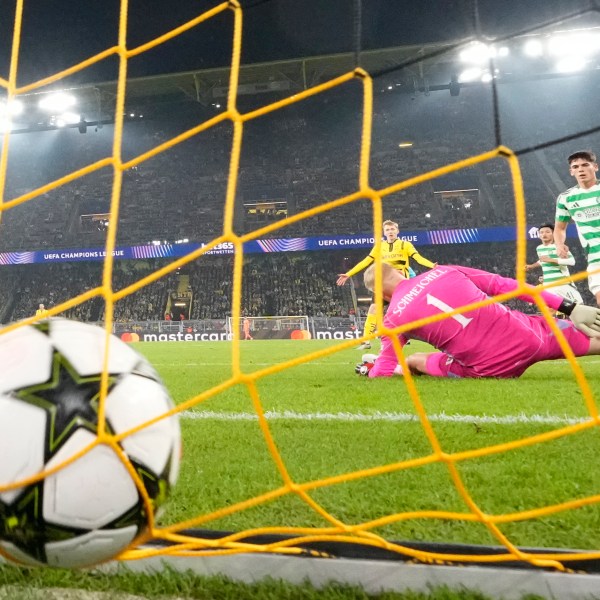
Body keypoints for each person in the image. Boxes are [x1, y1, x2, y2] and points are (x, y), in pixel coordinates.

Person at [357, 262, 600, 379]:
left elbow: (383, 372)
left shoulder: (392, 319)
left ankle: (406, 366)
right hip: (531, 339)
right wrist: (569, 307)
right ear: (401, 273)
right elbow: (507, 286)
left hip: (490, 370)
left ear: (380, 294)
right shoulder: (445, 271)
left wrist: (371, 373)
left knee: (416, 359)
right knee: (592, 334)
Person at [336, 220, 436, 349]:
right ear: (384, 233)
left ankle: (412, 335)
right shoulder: (379, 246)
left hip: (400, 284)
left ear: (397, 231)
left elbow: (418, 258)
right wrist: (349, 274)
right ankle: (366, 340)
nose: (390, 232)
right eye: (388, 230)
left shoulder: (405, 245)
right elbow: (366, 261)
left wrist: (432, 265)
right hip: (383, 284)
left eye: (392, 229)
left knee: (401, 312)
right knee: (373, 308)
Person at [554, 150, 600, 305]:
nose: (580, 169)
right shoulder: (566, 198)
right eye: (576, 166)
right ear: (571, 171)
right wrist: (559, 245)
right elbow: (560, 228)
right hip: (596, 257)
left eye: (585, 165)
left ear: (595, 167)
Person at [526, 223, 583, 306]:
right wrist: (531, 266)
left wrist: (551, 260)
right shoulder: (539, 248)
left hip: (562, 283)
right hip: (548, 284)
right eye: (541, 232)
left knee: (578, 306)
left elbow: (572, 261)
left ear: (553, 234)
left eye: (547, 232)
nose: (544, 234)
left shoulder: (559, 247)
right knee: (551, 309)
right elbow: (542, 261)